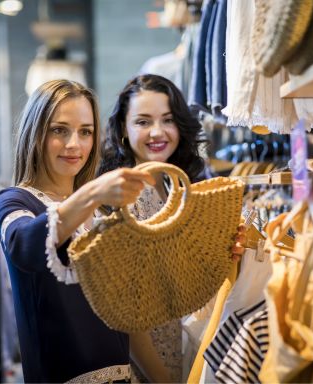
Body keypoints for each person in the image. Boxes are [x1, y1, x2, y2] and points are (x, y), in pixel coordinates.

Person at [0, 79, 245, 383]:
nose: (74, 144)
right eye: (60, 130)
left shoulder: (100, 212)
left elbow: (126, 310)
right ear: (35, 135)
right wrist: (92, 193)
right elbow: (22, 244)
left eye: (85, 132)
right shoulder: (15, 201)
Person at [99, 74, 245, 382]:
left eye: (167, 120)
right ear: (123, 130)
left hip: (182, 352)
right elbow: (128, 314)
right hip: (146, 367)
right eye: (142, 122)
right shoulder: (121, 199)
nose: (157, 132)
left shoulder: (173, 186)